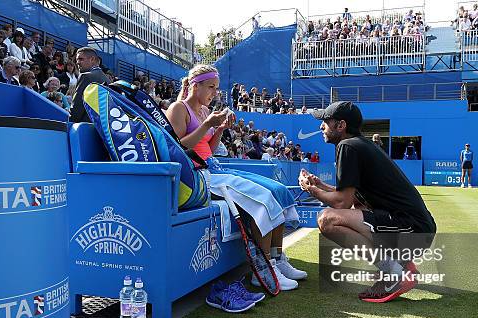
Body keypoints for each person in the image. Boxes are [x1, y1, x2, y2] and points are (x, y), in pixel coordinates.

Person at [166, 64, 305, 294]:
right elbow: (179, 148)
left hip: (214, 167)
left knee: (278, 190)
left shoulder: (203, 111)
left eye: (217, 88)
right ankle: (264, 270)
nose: (214, 92)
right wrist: (209, 124)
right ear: (195, 85)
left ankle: (278, 259)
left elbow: (208, 147)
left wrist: (218, 129)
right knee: (263, 199)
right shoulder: (177, 108)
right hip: (199, 176)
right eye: (210, 87)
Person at [300, 101, 436, 303]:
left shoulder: (347, 146)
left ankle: (395, 274)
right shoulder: (359, 144)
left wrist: (311, 189)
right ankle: (403, 265)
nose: (321, 126)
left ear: (341, 125)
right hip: (418, 230)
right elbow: (351, 196)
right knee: (358, 207)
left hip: (411, 230)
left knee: (327, 220)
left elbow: (341, 204)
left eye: (326, 121)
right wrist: (319, 185)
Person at [69, 47, 110, 122]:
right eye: (77, 60)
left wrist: (69, 122)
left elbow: (77, 108)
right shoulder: (108, 80)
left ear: (92, 59)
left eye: (81, 59)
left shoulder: (85, 76)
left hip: (83, 128)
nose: (77, 62)